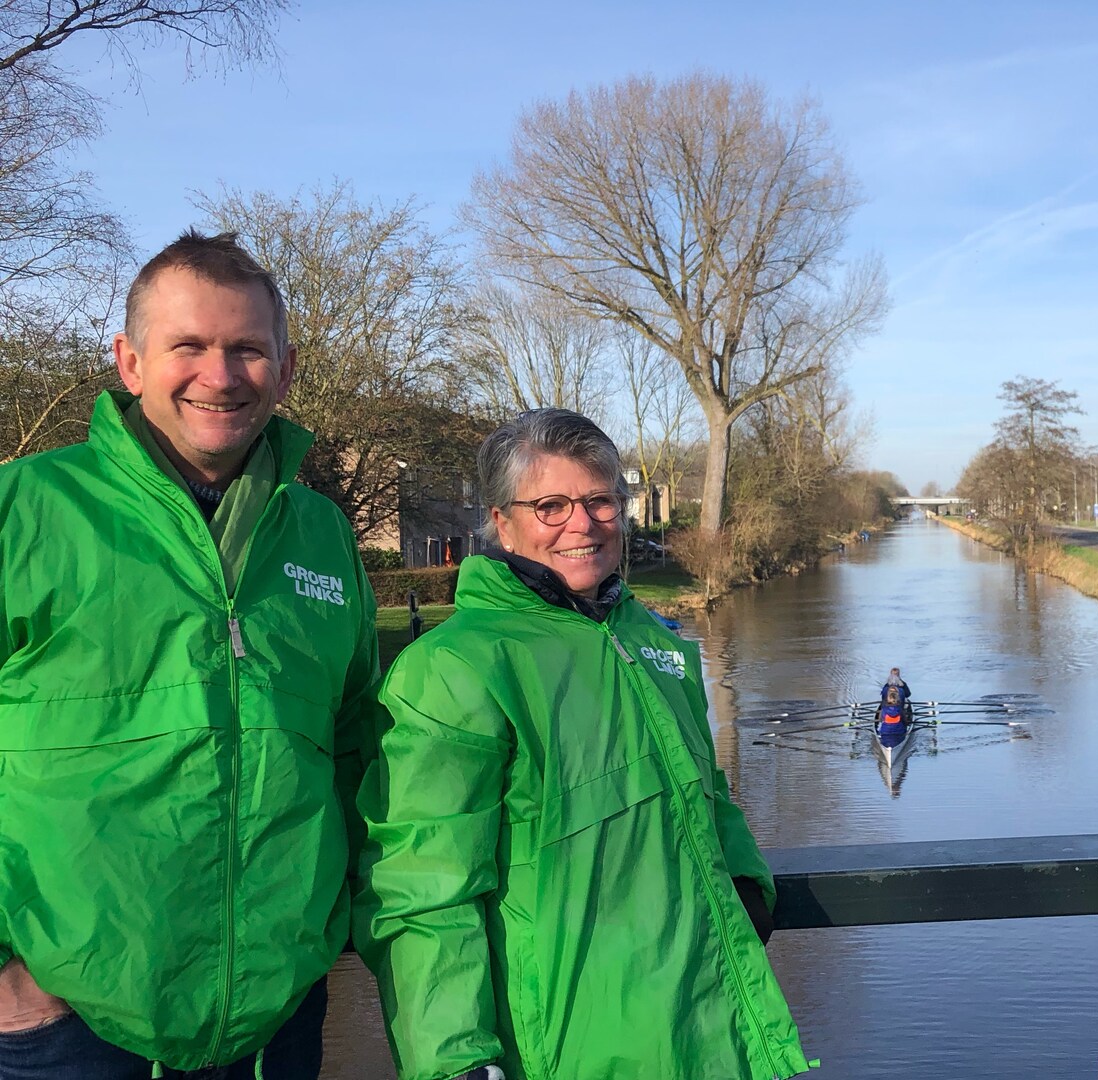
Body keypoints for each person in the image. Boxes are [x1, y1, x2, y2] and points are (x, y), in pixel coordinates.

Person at [0, 232, 381, 1077]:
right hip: (63, 1029)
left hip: (276, 1020)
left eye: (248, 348)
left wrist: (334, 926)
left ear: (284, 372)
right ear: (130, 362)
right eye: (190, 347)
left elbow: (358, 740)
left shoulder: (320, 534)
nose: (220, 375)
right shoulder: (23, 510)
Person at [355, 408, 810, 1080]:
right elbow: (423, 888)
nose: (582, 522)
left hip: (708, 1028)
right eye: (551, 504)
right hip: (572, 1046)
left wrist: (747, 879)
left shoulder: (655, 644)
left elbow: (706, 791)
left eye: (599, 499)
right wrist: (454, 1061)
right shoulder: (455, 668)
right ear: (501, 522)